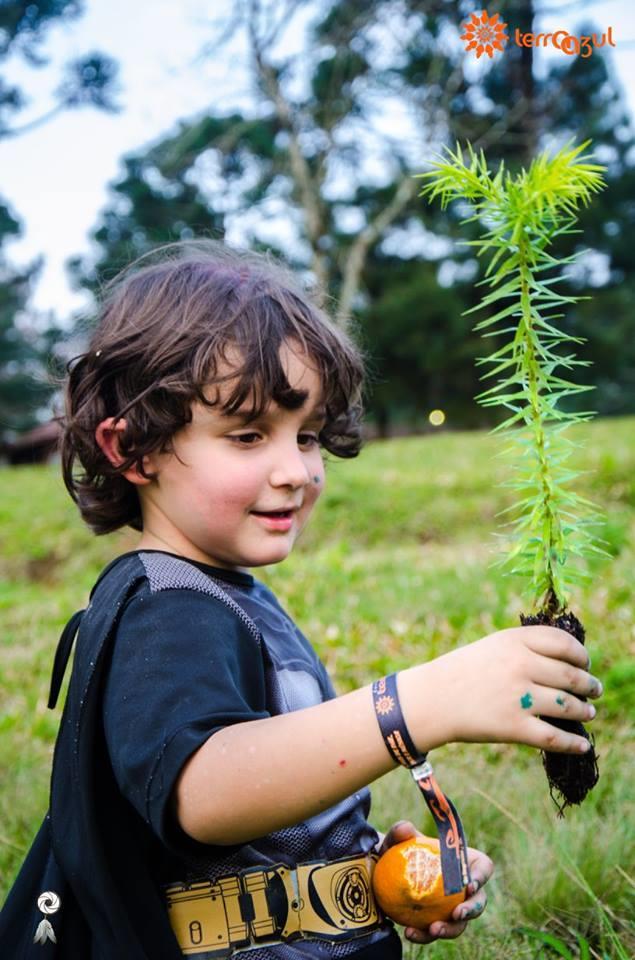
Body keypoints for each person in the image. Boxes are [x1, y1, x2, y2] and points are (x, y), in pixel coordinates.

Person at [0, 240, 602, 960]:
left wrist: (362, 876)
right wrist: (415, 705)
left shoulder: (228, 595)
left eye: (308, 435)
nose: (297, 472)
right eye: (248, 434)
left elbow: (258, 827)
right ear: (133, 449)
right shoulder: (166, 609)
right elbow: (207, 792)